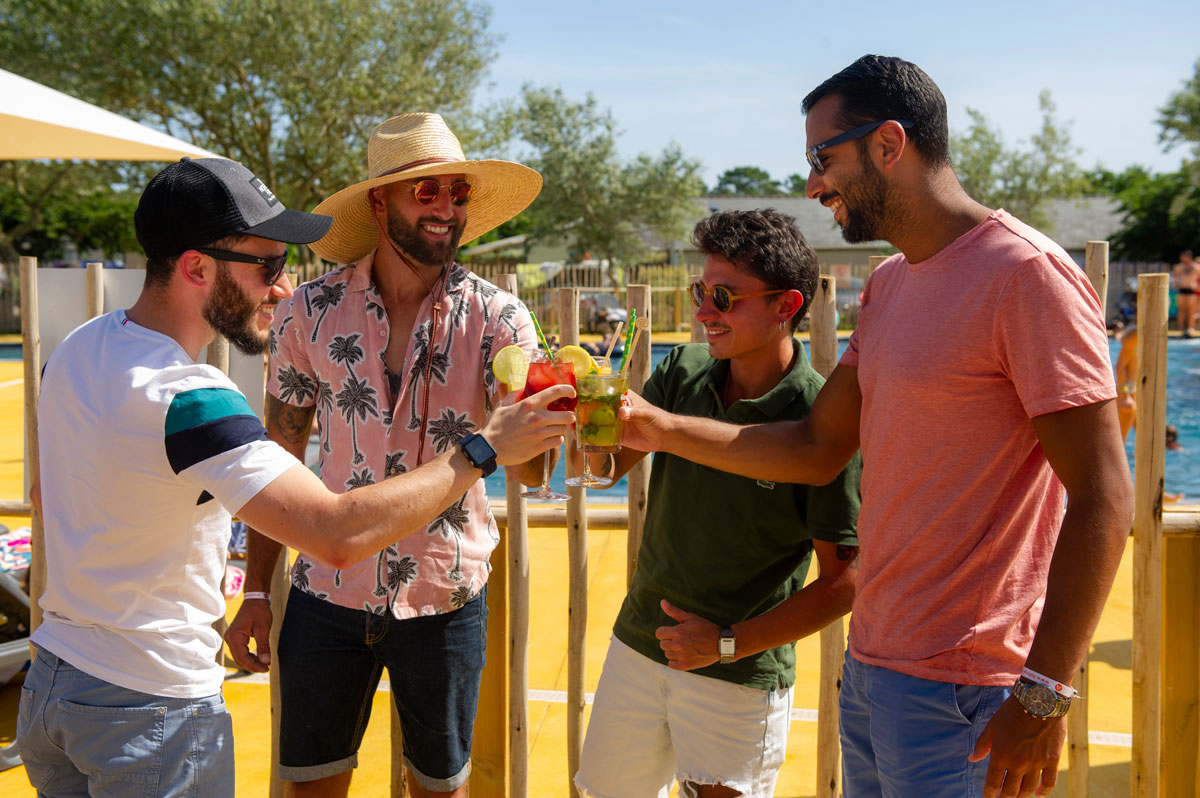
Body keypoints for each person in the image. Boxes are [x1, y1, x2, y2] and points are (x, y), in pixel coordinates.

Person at [616, 55, 1133, 798]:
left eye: (823, 158)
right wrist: (657, 428)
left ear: (889, 144)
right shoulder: (890, 285)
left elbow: (1105, 494)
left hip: (967, 689)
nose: (811, 184)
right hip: (873, 671)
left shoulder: (1027, 277)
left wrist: (1044, 690)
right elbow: (816, 447)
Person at [16, 157, 572, 796]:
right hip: (152, 704)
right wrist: (482, 449)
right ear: (198, 268)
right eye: (267, 266)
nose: (281, 290)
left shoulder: (78, 349)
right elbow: (333, 533)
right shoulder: (194, 399)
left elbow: (44, 495)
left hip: (57, 680)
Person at [225, 113, 546, 798]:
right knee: (311, 787)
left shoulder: (501, 319)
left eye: (456, 193)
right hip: (324, 595)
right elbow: (277, 452)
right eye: (424, 191)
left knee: (442, 790)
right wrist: (255, 587)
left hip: (447, 597)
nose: (445, 207)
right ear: (380, 201)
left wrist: (547, 418)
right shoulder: (308, 311)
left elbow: (532, 468)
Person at [573, 209, 861, 798]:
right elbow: (602, 470)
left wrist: (729, 642)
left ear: (787, 306)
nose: (703, 312)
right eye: (701, 291)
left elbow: (847, 581)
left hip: (740, 670)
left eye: (724, 297)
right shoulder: (682, 370)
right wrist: (585, 430)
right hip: (638, 644)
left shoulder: (822, 421)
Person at [1114, 321, 1138, 439]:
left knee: (1146, 436)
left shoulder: (1141, 334)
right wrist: (1125, 394)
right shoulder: (1136, 335)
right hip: (1128, 391)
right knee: (1120, 440)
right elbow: (1120, 366)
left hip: (1134, 390)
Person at [1173, 250, 1199, 337]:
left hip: (1191, 289)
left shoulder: (1196, 266)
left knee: (1192, 310)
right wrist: (1177, 283)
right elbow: (1174, 275)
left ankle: (1190, 327)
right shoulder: (1180, 266)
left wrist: (1197, 286)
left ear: (1188, 257)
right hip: (1182, 289)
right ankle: (1180, 327)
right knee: (1181, 309)